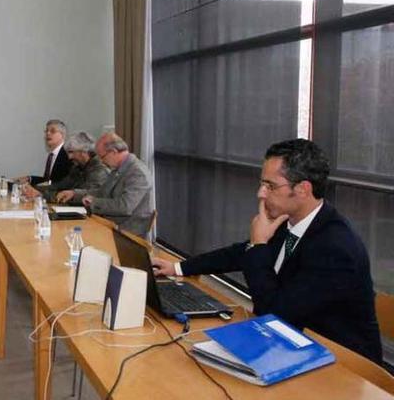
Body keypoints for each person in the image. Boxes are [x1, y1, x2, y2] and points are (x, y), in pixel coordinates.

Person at [152, 139, 382, 363]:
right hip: (293, 341)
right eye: (262, 184)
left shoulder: (336, 248)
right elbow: (242, 252)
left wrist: (259, 244)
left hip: (343, 368)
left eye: (270, 186)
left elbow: (273, 315)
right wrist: (178, 267)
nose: (260, 194)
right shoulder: (291, 220)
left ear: (303, 189)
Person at [72, 133, 154, 236]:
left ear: (114, 152)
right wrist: (75, 194)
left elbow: (125, 207)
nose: (101, 162)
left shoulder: (138, 173)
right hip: (110, 225)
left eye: (102, 157)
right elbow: (103, 191)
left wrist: (95, 202)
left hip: (127, 233)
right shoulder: (118, 168)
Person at [23, 131, 106, 204]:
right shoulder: (78, 168)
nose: (69, 157)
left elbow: (84, 196)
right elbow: (60, 185)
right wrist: (35, 189)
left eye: (71, 152)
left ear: (83, 151)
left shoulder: (99, 170)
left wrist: (41, 195)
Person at [19, 119, 72, 187]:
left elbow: (62, 183)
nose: (48, 133)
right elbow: (48, 181)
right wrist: (29, 179)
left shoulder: (68, 155)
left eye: (52, 131)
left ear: (62, 135)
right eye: (46, 131)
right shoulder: (52, 155)